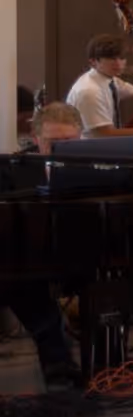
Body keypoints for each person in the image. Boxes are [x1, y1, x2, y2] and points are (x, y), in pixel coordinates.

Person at [1, 104, 86, 387]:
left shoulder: (100, 166)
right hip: (27, 256)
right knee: (28, 286)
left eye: (69, 143)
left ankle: (105, 359)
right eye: (53, 143)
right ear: (36, 139)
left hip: (85, 250)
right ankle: (59, 366)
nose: (60, 149)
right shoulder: (12, 171)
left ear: (81, 137)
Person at [66, 33, 133, 140]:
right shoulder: (90, 91)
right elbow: (105, 135)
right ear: (93, 62)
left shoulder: (108, 79)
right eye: (111, 59)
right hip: (90, 152)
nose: (118, 63)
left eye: (121, 58)